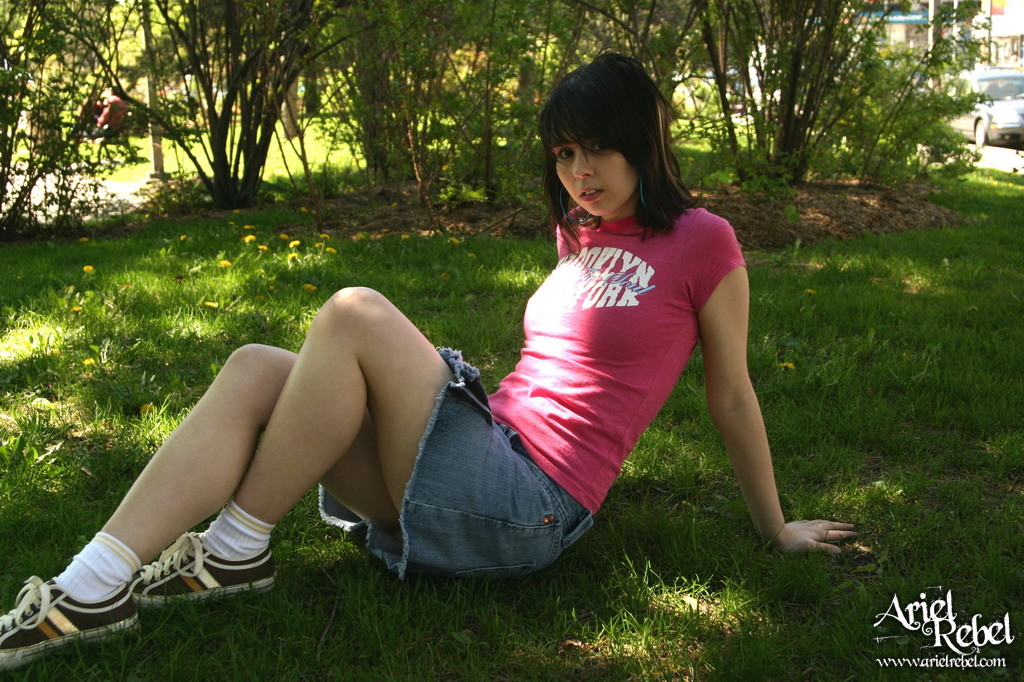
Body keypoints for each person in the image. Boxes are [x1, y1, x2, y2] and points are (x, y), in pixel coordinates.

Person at [0, 53, 855, 671]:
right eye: (562, 153)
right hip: (487, 458)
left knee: (354, 313)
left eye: (595, 147)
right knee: (257, 365)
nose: (578, 171)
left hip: (535, 504)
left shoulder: (704, 241)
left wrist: (775, 527)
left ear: (642, 138)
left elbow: (732, 396)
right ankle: (90, 586)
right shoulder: (580, 232)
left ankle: (233, 548)